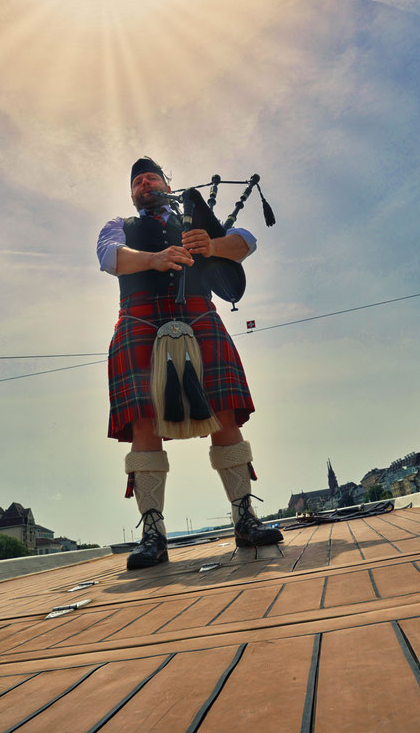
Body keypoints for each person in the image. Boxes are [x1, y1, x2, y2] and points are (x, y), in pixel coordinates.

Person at [97, 157, 283, 569]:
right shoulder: (120, 226)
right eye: (138, 181)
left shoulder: (194, 218)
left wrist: (212, 246)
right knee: (144, 424)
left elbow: (247, 241)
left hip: (198, 314)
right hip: (139, 319)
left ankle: (245, 520)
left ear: (166, 182)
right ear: (132, 193)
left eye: (152, 177)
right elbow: (109, 257)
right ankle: (152, 534)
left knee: (224, 414)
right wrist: (154, 258)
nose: (145, 183)